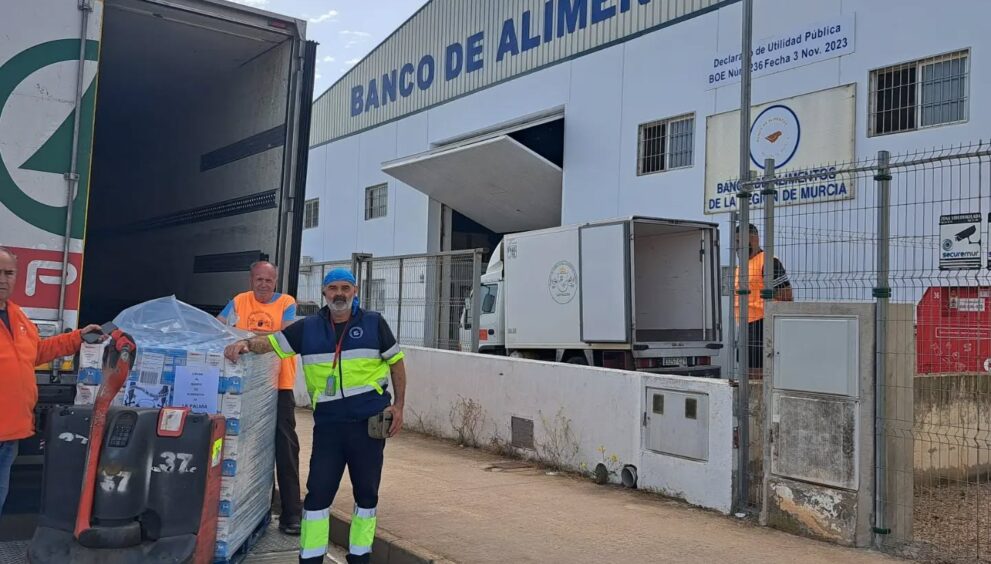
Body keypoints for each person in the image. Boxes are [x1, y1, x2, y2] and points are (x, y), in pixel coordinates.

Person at [224, 268, 406, 564]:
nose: (339, 294)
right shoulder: (308, 328)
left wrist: (399, 406)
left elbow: (397, 363)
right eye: (333, 288)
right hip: (329, 427)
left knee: (367, 495)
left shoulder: (374, 323)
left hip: (368, 426)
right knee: (318, 495)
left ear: (355, 291)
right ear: (324, 293)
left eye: (345, 288)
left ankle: (360, 557)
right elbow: (272, 343)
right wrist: (245, 344)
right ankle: (310, 558)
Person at [0, 246, 105, 517]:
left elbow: (37, 352)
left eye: (9, 273)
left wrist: (78, 337)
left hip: (10, 432)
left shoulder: (17, 316)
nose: (3, 279)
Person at [217, 261, 303, 535]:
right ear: (251, 280)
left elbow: (286, 335)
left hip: (279, 386)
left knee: (285, 448)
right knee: (243, 447)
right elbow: (218, 329)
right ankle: (248, 511)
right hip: (243, 388)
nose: (264, 284)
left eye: (269, 280)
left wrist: (245, 339)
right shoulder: (239, 301)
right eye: (259, 280)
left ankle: (292, 513)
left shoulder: (286, 303)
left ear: (275, 281)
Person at [735, 224, 793, 378]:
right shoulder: (742, 266)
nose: (737, 247)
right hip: (745, 324)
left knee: (759, 373)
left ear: (754, 239)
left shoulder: (768, 262)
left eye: (740, 241)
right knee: (746, 372)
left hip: (762, 323)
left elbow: (787, 295)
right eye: (736, 242)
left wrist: (767, 295)